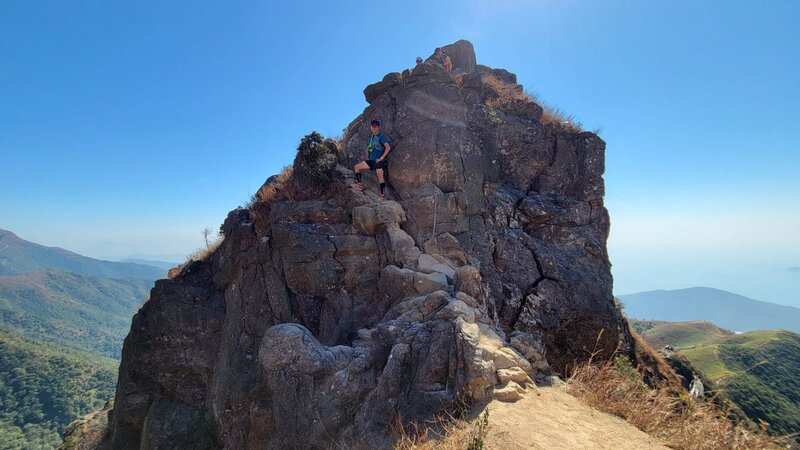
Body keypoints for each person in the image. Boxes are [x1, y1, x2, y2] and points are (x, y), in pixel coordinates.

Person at [353, 120, 391, 199]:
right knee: (356, 167)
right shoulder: (370, 138)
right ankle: (359, 185)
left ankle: (382, 196)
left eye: (375, 126)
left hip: (378, 161)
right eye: (372, 126)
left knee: (380, 176)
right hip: (370, 161)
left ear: (378, 127)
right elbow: (368, 148)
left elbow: (388, 147)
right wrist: (367, 157)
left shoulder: (381, 137)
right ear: (370, 127)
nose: (373, 127)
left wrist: (381, 158)